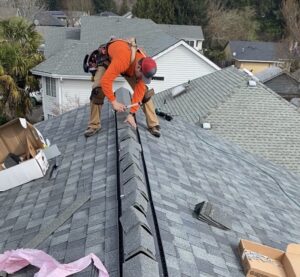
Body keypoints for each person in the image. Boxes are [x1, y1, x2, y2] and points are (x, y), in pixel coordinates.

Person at [84, 38, 161, 138]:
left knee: (144, 94)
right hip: (109, 59)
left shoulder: (145, 65)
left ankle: (153, 125)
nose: (142, 79)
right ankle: (94, 125)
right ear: (138, 68)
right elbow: (106, 81)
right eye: (142, 77)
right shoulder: (122, 60)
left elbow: (139, 93)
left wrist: (131, 114)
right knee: (98, 90)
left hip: (129, 67)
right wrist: (114, 101)